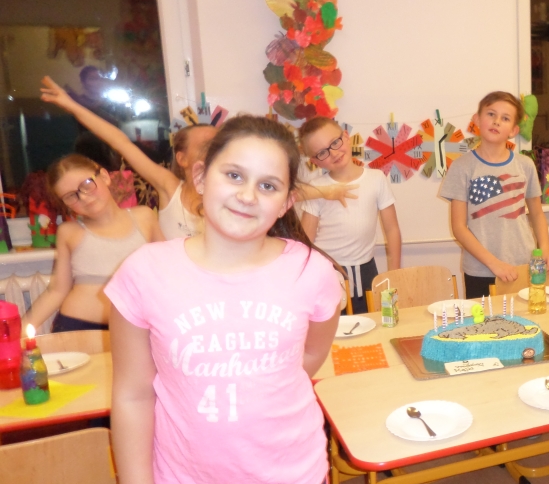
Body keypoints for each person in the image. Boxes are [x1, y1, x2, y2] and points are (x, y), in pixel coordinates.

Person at [107, 115, 342, 484]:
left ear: (286, 202)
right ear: (199, 178)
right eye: (233, 175)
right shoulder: (145, 273)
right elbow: (131, 394)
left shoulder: (312, 273)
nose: (247, 195)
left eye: (268, 185)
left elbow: (308, 359)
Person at [40, 76, 355, 239]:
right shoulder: (170, 188)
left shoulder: (229, 193)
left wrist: (328, 191)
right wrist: (72, 105)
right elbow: (120, 141)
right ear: (182, 158)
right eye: (206, 145)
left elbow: (277, 194)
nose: (215, 149)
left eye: (218, 144)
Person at [24, 154, 161, 332]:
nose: (84, 197)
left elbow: (167, 272)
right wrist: (17, 332)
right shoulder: (68, 232)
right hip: (78, 328)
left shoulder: (145, 217)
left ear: (104, 176)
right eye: (71, 196)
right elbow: (57, 291)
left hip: (134, 329)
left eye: (87, 184)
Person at [440, 91, 549, 299]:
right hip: (480, 270)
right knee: (484, 320)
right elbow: (459, 227)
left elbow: (537, 214)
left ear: (513, 130)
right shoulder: (461, 167)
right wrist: (494, 264)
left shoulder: (525, 165)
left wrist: (545, 250)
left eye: (505, 118)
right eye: (491, 114)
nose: (496, 121)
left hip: (522, 265)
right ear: (477, 119)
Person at [297, 117, 401, 314]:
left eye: (335, 142)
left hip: (367, 271)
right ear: (314, 161)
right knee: (334, 328)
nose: (334, 153)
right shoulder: (316, 188)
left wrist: (395, 273)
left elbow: (392, 229)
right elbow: (305, 241)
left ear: (346, 136)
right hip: (329, 273)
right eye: (322, 153)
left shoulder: (376, 179)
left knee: (374, 323)